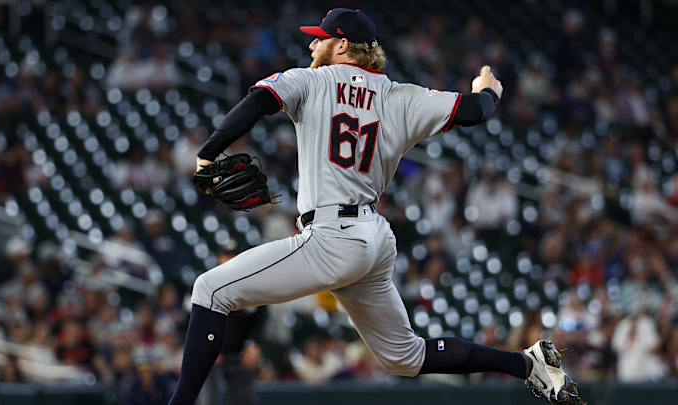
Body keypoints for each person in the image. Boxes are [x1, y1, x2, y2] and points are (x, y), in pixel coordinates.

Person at [169, 8, 580, 405]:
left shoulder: (313, 82)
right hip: (372, 235)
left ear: (342, 44)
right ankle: (527, 364)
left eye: (320, 40)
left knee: (210, 290)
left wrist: (208, 152)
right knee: (406, 358)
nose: (312, 48)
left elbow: (258, 100)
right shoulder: (401, 96)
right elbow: (475, 111)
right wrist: (488, 89)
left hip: (332, 236)